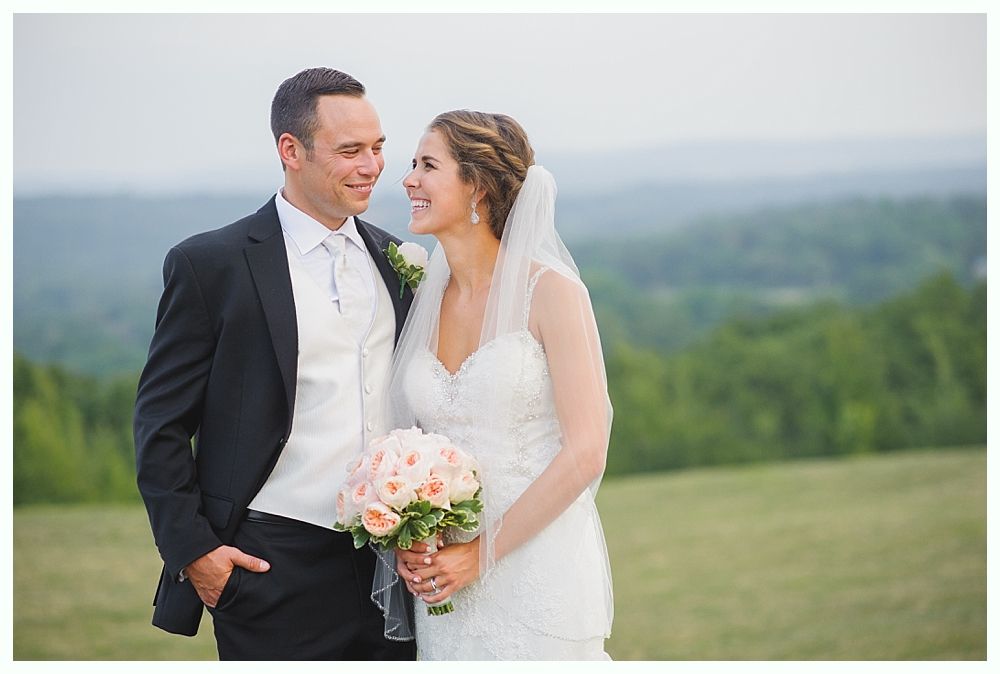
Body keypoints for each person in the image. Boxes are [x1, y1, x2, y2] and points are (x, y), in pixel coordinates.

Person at [133, 67, 416, 660]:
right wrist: (194, 554)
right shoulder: (211, 265)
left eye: (378, 147)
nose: (372, 166)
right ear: (291, 150)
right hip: (269, 565)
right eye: (350, 151)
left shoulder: (397, 258)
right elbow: (159, 425)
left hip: (393, 568)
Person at [381, 111, 615, 659]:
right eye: (412, 164)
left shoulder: (552, 293)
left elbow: (587, 451)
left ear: (477, 187)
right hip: (445, 581)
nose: (408, 179)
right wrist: (412, 530)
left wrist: (482, 555)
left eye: (428, 165)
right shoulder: (421, 300)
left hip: (536, 566)